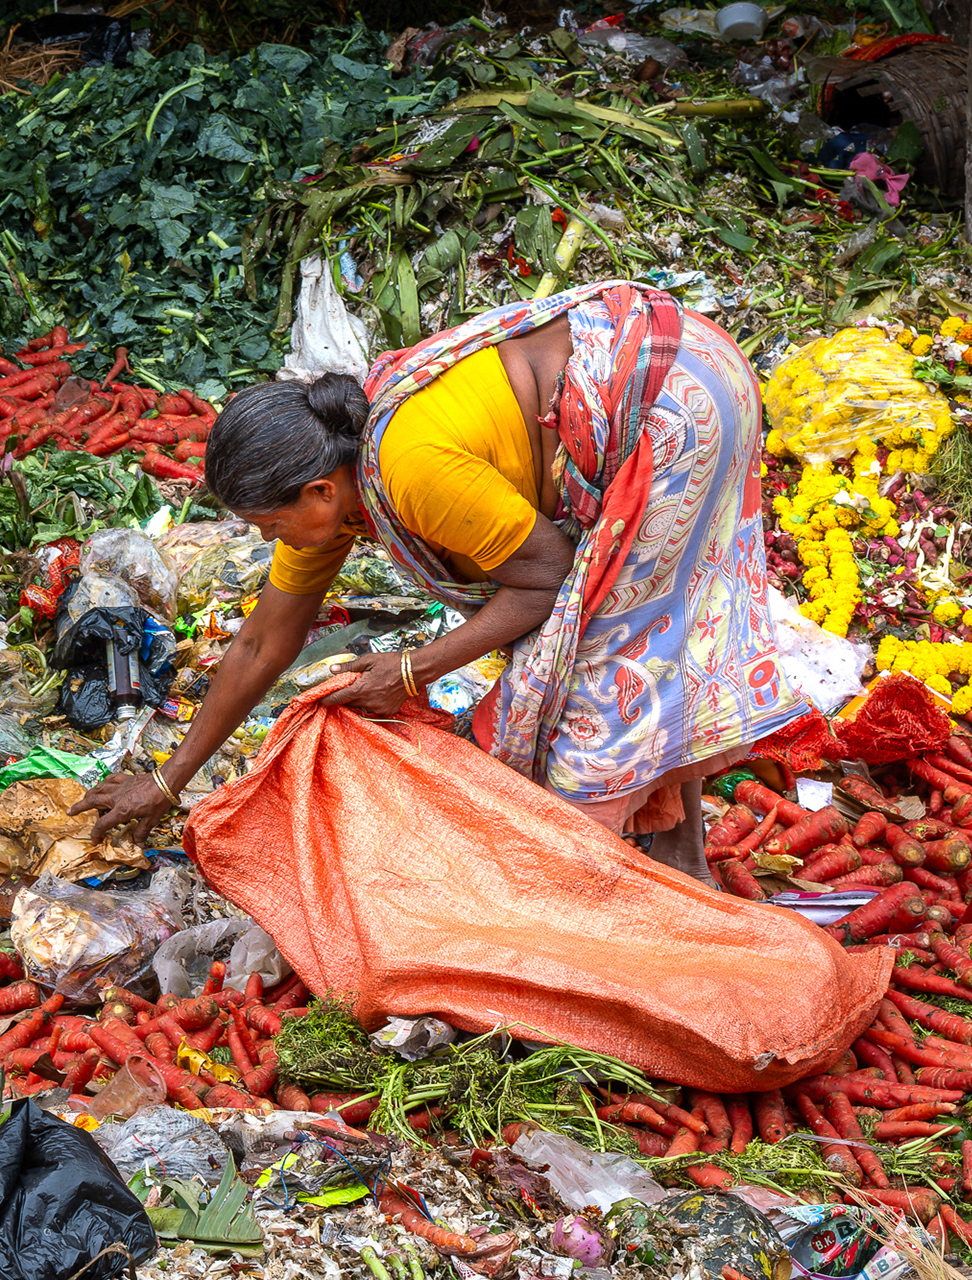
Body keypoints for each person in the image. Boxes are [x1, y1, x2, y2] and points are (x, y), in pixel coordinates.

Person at [71, 280, 804, 879]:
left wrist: (412, 671)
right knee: (638, 640)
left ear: (318, 493)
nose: (268, 541)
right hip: (673, 366)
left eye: (269, 525)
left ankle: (599, 893)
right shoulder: (340, 486)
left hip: (673, 400)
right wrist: (167, 779)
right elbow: (263, 642)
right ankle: (677, 860)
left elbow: (544, 580)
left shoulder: (407, 467)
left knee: (600, 676)